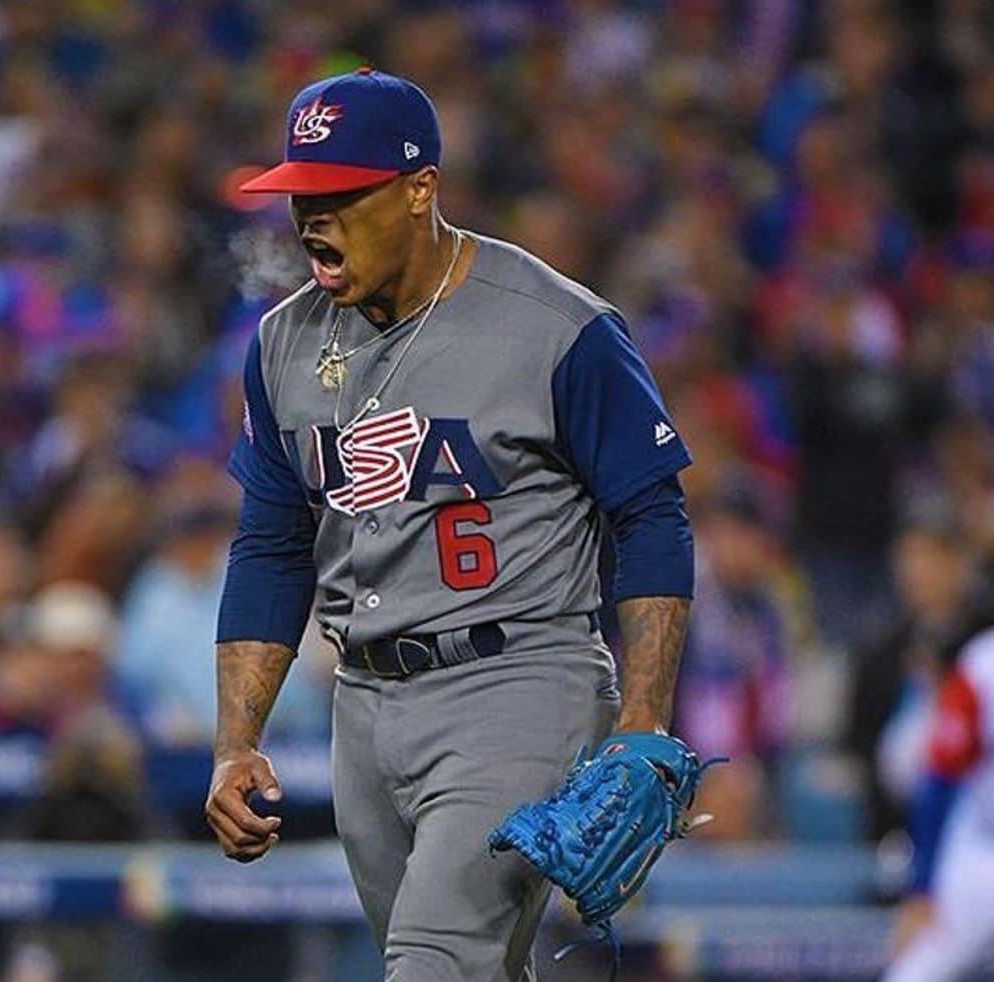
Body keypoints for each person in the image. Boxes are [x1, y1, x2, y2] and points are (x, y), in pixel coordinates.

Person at [207, 69, 695, 982]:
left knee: (432, 960)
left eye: (342, 195)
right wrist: (237, 742)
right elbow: (270, 546)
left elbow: (651, 514)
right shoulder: (281, 343)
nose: (314, 219)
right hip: (363, 700)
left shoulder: (556, 327)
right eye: (302, 197)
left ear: (419, 188)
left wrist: (643, 719)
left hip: (518, 680)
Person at [883, 612, 994, 982]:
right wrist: (922, 891)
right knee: (914, 974)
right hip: (988, 853)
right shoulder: (987, 664)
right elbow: (939, 781)